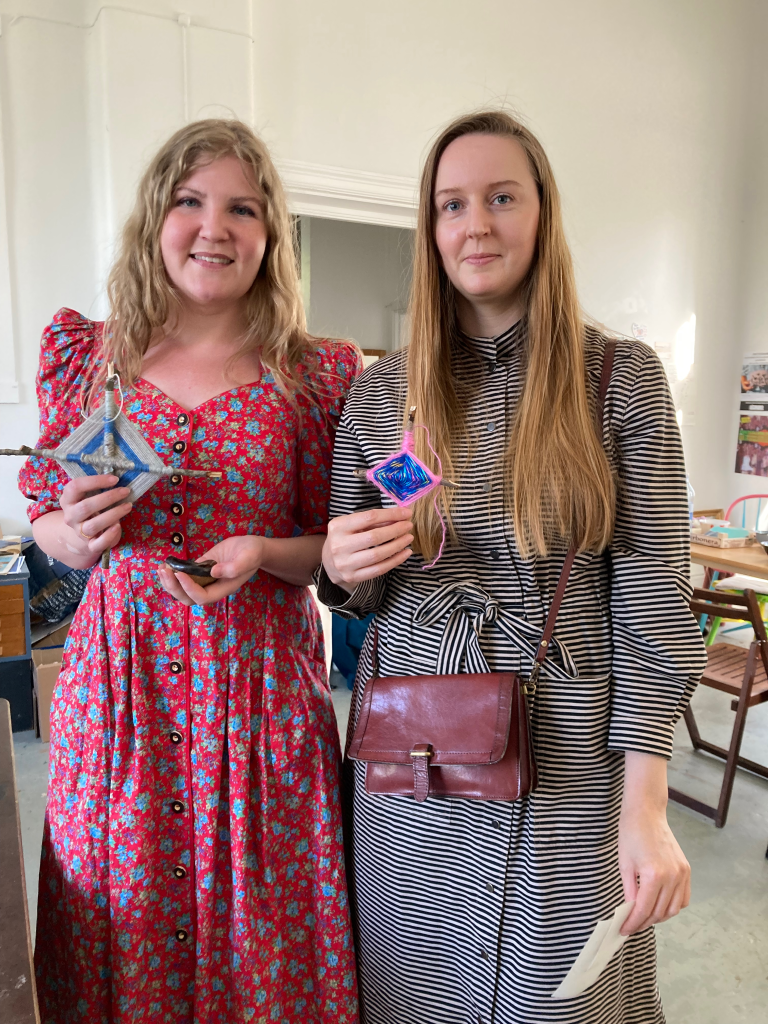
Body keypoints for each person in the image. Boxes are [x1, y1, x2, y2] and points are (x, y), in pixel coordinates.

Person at [318, 111, 707, 1023]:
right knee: (415, 985)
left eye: (501, 198)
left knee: (554, 991)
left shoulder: (617, 379)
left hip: (565, 741)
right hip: (414, 745)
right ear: (430, 227)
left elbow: (653, 595)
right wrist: (339, 563)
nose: (476, 225)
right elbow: (358, 583)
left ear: (542, 212)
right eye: (452, 204)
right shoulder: (382, 393)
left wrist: (646, 804)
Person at [19, 119, 360, 1024]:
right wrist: (72, 535)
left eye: (243, 209)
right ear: (155, 218)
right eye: (190, 201)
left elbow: (333, 543)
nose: (215, 227)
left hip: (258, 696)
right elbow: (45, 516)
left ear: (270, 234)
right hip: (121, 693)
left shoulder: (314, 374)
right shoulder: (88, 357)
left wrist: (266, 555)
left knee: (263, 929)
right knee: (120, 910)